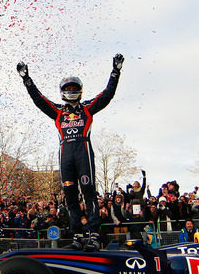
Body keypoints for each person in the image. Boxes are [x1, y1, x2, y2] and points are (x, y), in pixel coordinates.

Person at [17, 54, 124, 250]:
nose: (71, 91)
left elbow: (107, 94)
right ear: (62, 92)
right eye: (68, 89)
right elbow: (39, 100)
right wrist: (27, 80)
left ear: (80, 91)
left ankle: (93, 235)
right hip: (65, 153)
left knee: (89, 193)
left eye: (74, 89)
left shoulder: (88, 108)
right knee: (70, 196)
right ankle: (77, 236)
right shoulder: (58, 111)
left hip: (83, 151)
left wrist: (115, 72)